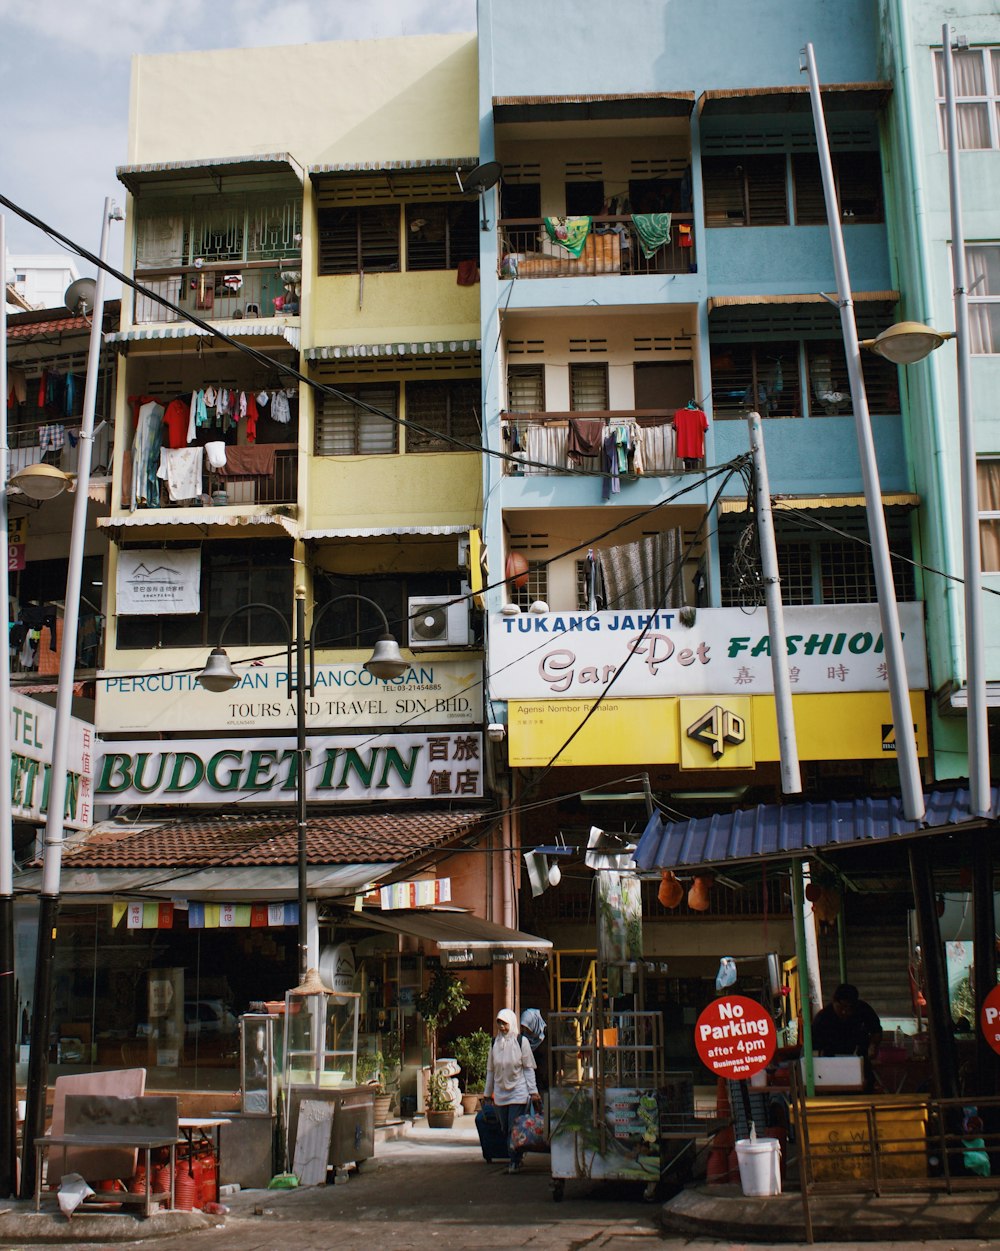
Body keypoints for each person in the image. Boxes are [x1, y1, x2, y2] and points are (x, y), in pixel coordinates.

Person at [483, 1007, 541, 1173]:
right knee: (504, 1127)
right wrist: (487, 1094)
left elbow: (528, 1069)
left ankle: (514, 1161)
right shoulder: (494, 1043)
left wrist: (533, 1092)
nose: (502, 1027)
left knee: (513, 1127)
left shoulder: (521, 1042)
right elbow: (491, 1071)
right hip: (501, 1093)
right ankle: (516, 1156)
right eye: (499, 1023)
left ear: (512, 1023)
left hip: (518, 1092)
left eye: (505, 1023)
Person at [812, 983, 883, 1092]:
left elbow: (876, 1030)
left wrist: (873, 1045)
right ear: (834, 1002)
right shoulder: (823, 1018)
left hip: (861, 1061)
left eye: (849, 1008)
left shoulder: (863, 1009)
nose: (845, 1011)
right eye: (841, 1007)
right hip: (831, 1065)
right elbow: (814, 1049)